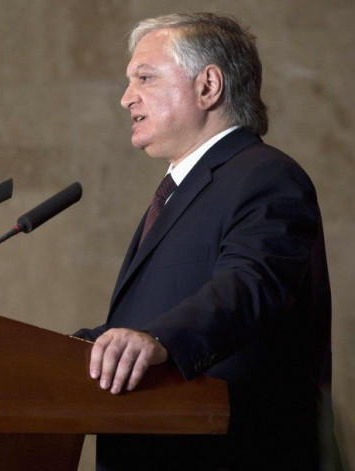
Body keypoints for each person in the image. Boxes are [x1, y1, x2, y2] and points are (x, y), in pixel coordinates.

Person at [73, 13, 331, 470]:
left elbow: (253, 283)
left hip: (230, 452)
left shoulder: (265, 175)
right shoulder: (182, 191)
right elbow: (147, 320)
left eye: (145, 78)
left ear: (208, 86)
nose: (125, 98)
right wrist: (77, 351)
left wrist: (158, 338)